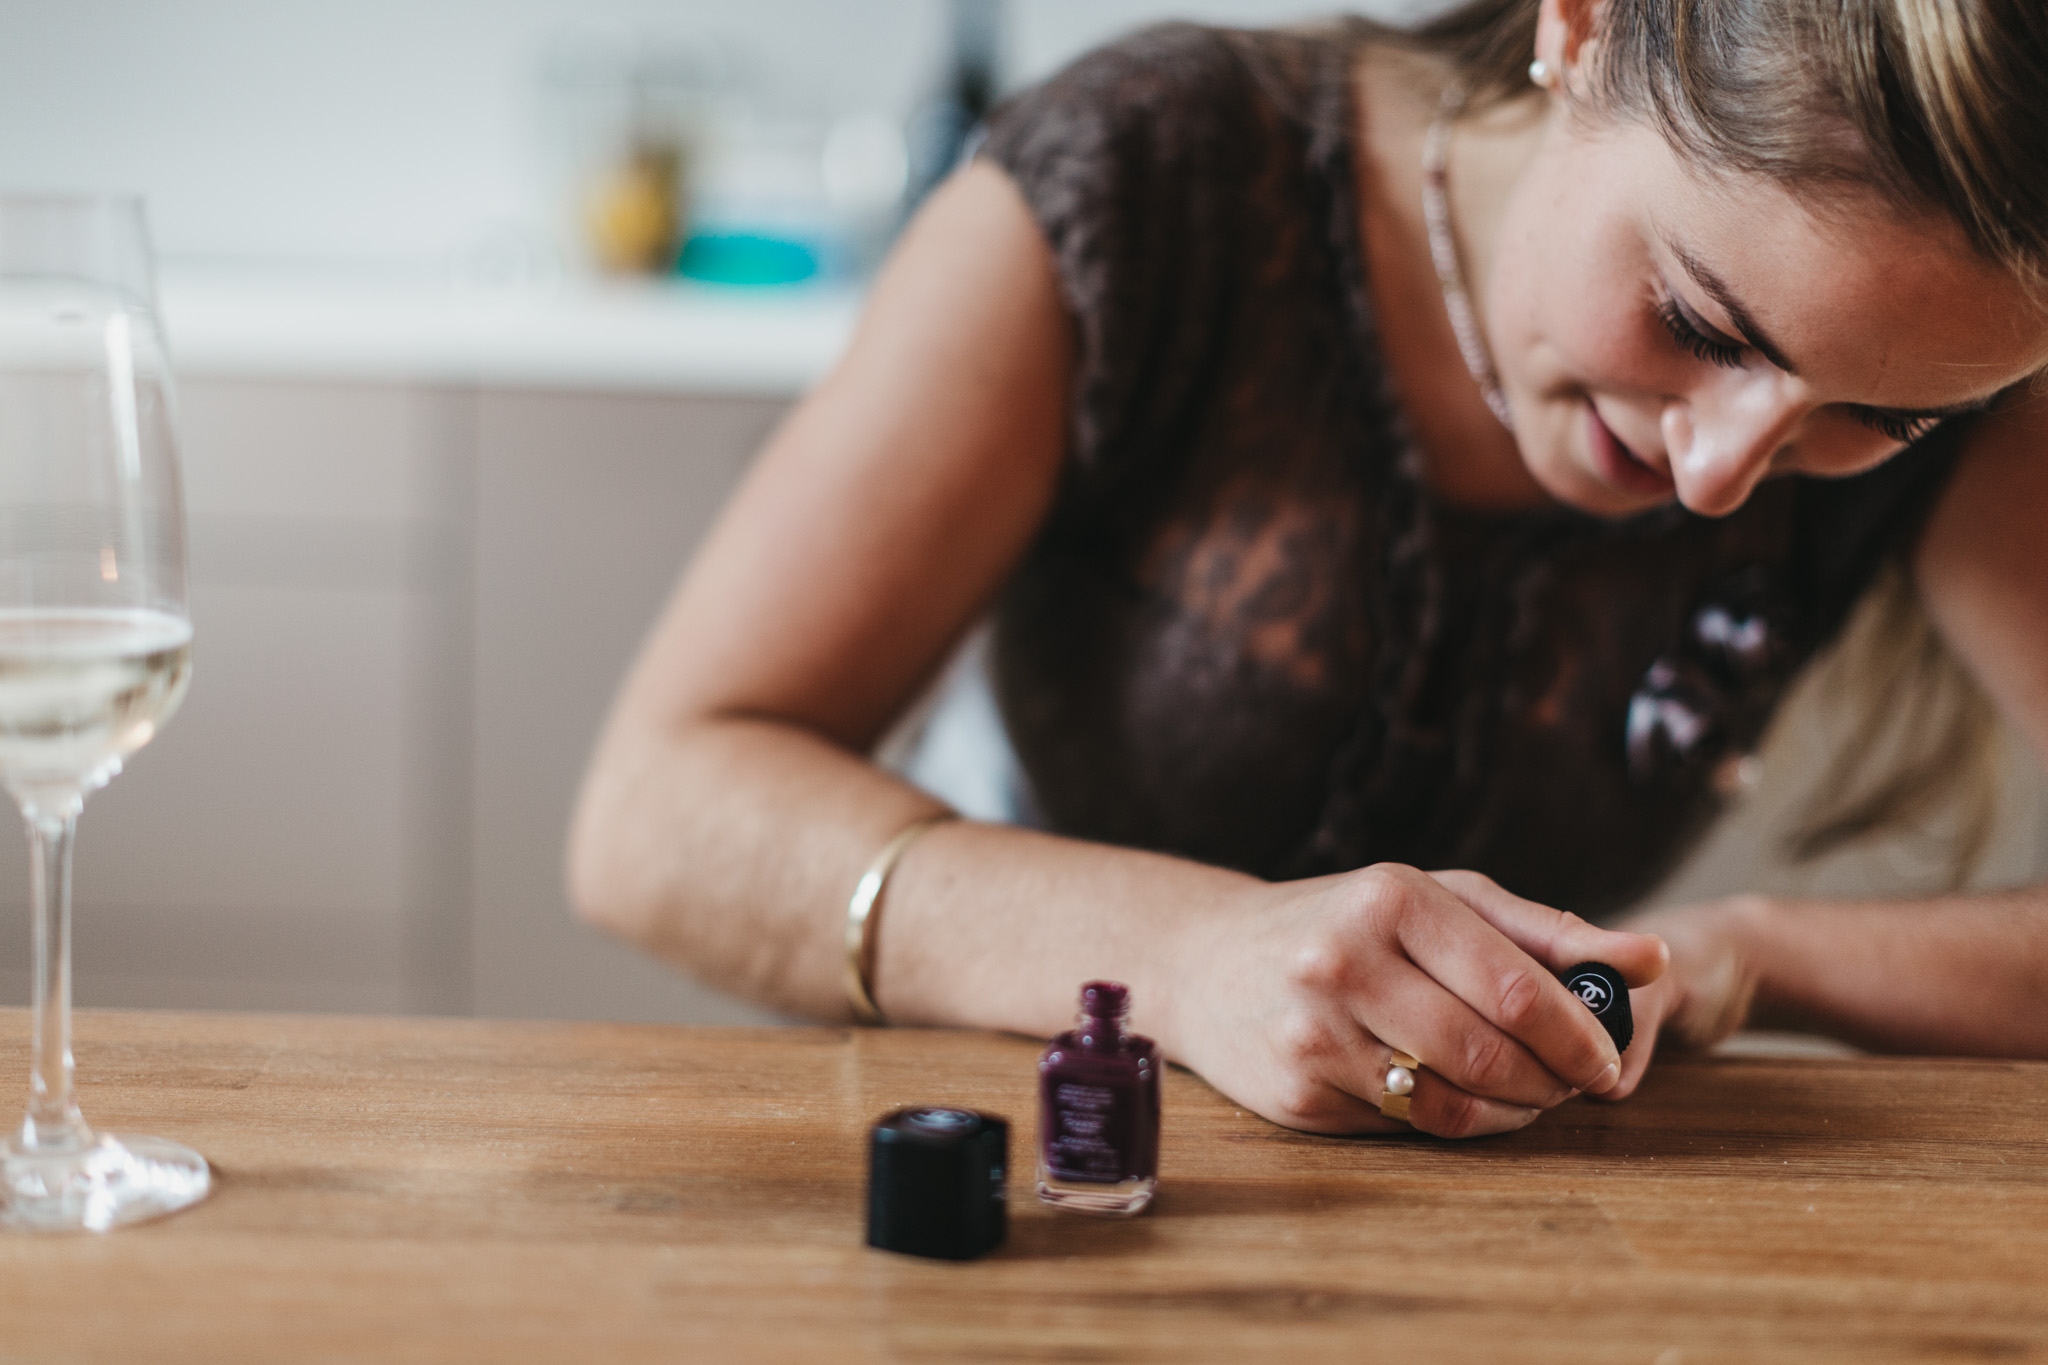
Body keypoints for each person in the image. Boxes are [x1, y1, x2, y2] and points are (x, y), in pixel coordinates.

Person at [568, 0, 2048, 1139]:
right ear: (1583, 27)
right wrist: (1189, 954)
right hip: (1047, 1174)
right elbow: (655, 812)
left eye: (1881, 416)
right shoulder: (1153, 180)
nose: (1722, 473)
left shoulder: (1953, 351)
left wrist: (1750, 958)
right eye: (1702, 319)